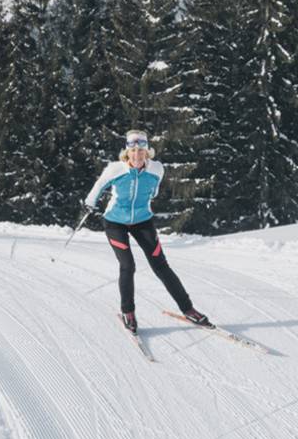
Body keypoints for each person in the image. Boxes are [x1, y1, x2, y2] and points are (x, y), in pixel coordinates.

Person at [82, 130, 210, 335]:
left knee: (161, 265)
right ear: (127, 153)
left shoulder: (157, 170)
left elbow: (155, 191)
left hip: (142, 221)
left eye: (141, 151)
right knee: (128, 265)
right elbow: (98, 187)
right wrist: (89, 203)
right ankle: (128, 312)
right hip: (115, 222)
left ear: (147, 153)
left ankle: (188, 309)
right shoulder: (116, 169)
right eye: (133, 151)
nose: (137, 155)